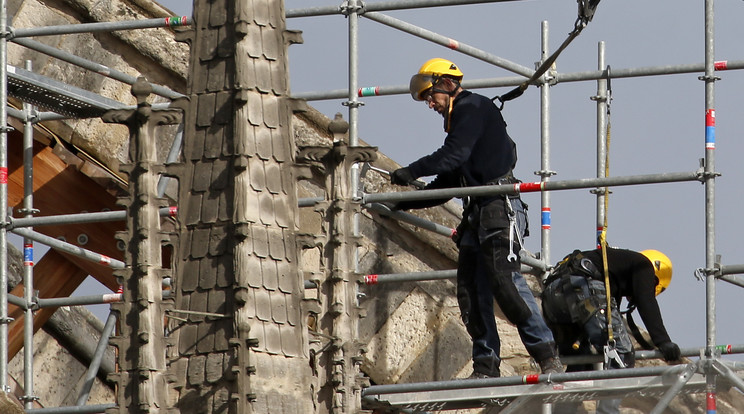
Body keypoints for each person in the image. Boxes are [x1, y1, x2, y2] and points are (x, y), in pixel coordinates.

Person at [390, 58, 563, 378]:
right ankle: (486, 367)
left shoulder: (472, 109)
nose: (430, 104)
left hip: (499, 206)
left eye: (430, 95)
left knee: (505, 281)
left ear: (445, 83)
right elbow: (451, 179)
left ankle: (547, 355)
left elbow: (452, 155)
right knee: (471, 292)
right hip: (477, 213)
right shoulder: (463, 120)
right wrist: (407, 202)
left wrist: (411, 171)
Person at [541, 247, 681, 413]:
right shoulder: (643, 266)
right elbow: (646, 301)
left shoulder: (616, 268)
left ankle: (564, 411)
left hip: (553, 295)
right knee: (621, 353)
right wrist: (663, 341)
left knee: (581, 361)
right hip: (581, 287)